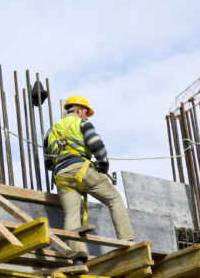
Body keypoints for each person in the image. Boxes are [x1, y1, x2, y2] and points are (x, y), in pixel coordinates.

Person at [43, 95, 134, 264]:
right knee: (114, 198)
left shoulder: (50, 131)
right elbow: (96, 145)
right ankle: (127, 241)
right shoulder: (82, 123)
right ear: (78, 110)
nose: (86, 116)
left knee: (71, 215)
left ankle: (78, 257)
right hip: (82, 170)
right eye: (85, 112)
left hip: (61, 176)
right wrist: (103, 164)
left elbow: (48, 163)